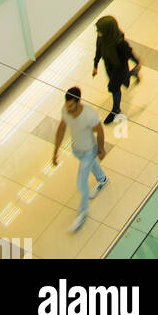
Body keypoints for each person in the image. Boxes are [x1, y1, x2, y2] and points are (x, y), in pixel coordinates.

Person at [53, 87, 108, 233]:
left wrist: (100, 149)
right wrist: (56, 151)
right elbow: (61, 129)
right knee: (91, 166)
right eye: (67, 105)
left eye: (71, 105)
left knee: (81, 184)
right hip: (77, 149)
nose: (68, 108)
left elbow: (100, 131)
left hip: (89, 151)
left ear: (78, 102)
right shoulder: (66, 111)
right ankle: (102, 179)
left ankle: (82, 214)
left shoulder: (89, 115)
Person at [92, 16, 141, 124]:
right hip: (109, 65)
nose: (98, 32)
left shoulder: (120, 43)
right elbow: (99, 51)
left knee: (114, 87)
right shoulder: (102, 38)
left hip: (119, 67)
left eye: (100, 30)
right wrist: (95, 65)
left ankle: (115, 110)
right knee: (119, 81)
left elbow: (129, 53)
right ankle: (133, 73)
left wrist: (138, 62)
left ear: (108, 30)